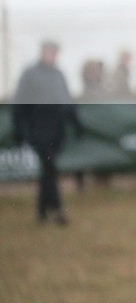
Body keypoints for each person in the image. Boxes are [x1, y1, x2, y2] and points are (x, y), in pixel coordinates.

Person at [12, 40, 83, 225]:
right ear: (43, 52)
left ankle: (42, 213)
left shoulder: (58, 74)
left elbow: (67, 101)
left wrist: (76, 123)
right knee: (50, 168)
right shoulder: (30, 74)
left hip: (56, 130)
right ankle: (58, 210)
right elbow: (19, 104)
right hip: (39, 129)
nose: (53, 56)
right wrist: (20, 130)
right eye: (50, 52)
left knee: (47, 170)